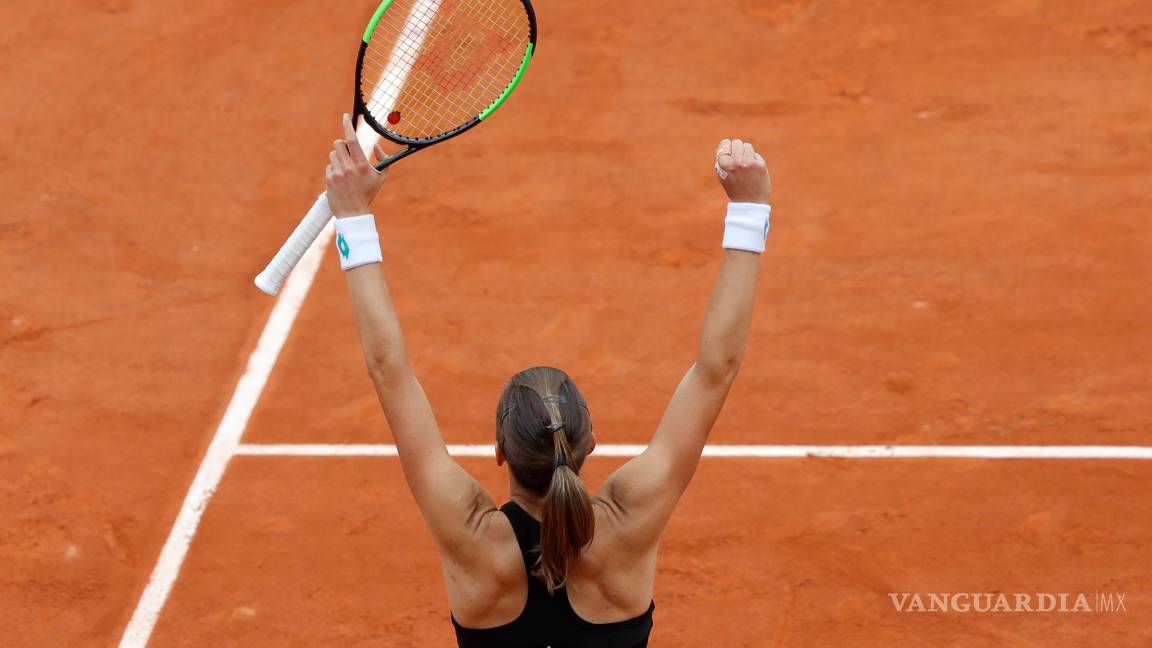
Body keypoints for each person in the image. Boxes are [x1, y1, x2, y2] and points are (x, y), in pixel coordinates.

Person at [323, 113, 771, 646]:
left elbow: (388, 369)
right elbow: (715, 368)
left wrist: (352, 217)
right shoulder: (627, 525)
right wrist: (748, 210)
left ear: (499, 451)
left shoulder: (474, 541)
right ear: (590, 443)